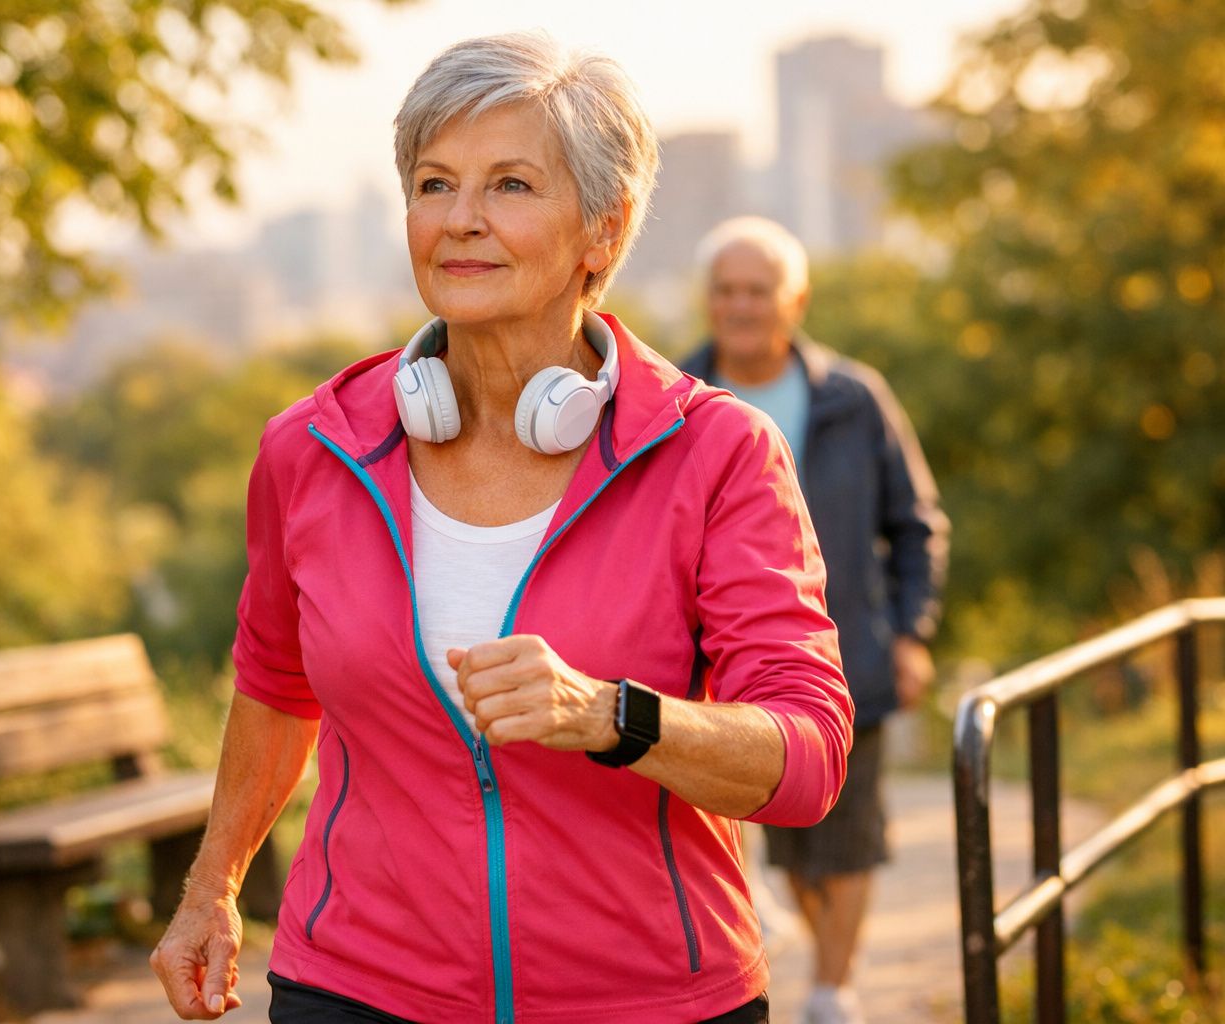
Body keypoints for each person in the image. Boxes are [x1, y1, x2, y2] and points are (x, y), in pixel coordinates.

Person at [151, 35, 853, 1024]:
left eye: (512, 185)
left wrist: (615, 715)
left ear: (600, 233)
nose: (462, 221)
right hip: (356, 986)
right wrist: (212, 886)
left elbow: (809, 753)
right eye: (435, 184)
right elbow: (275, 684)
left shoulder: (718, 454)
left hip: (645, 999)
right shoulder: (312, 448)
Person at [680, 216, 949, 1024]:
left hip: (847, 655)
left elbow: (917, 523)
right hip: (717, 669)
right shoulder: (676, 395)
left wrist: (910, 632)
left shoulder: (854, 398)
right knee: (787, 838)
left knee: (851, 829)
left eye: (758, 291)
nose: (741, 306)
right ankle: (827, 963)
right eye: (726, 291)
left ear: (794, 301)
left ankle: (832, 993)